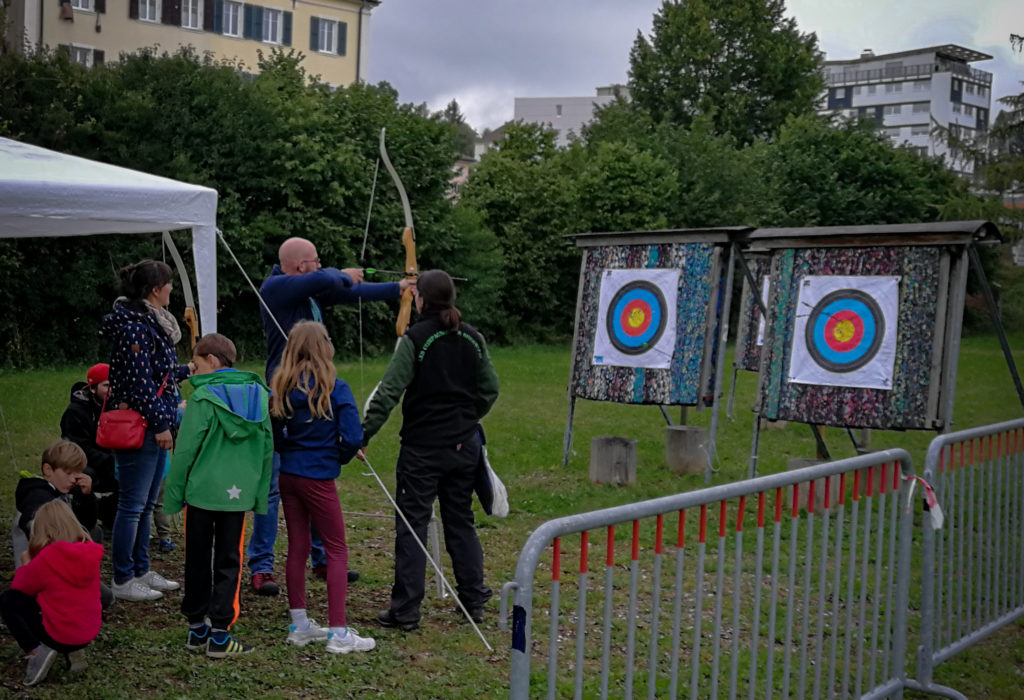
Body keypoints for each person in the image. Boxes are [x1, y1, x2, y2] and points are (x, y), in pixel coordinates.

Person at [248, 236, 415, 596]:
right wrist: (341, 273)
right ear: (297, 266)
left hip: (315, 390)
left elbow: (346, 290)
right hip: (285, 394)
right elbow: (330, 280)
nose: (320, 265)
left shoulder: (308, 288)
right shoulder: (277, 287)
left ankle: (321, 558)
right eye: (315, 259)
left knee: (316, 476)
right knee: (275, 485)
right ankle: (261, 566)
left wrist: (397, 287)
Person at [362, 270, 499, 631]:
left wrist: (361, 435)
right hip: (463, 445)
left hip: (422, 450)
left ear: (420, 300)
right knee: (460, 521)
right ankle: (473, 599)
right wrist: (467, 419)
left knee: (412, 526)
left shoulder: (415, 338)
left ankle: (406, 611)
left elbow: (388, 393)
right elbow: (489, 390)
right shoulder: (472, 338)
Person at [164, 333, 273, 658]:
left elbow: (184, 452)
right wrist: (259, 495)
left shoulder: (201, 399)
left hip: (201, 494)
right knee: (229, 561)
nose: (192, 371)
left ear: (212, 360)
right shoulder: (259, 396)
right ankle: (220, 634)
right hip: (236, 497)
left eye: (195, 365)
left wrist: (173, 496)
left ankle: (198, 628)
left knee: (197, 558)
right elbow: (267, 450)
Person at [271, 321, 375, 654]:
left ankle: (299, 624)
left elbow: (275, 436)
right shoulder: (335, 387)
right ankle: (339, 633)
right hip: (318, 476)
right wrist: (339, 456)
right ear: (323, 347)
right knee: (336, 549)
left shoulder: (281, 387)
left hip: (288, 474)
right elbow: (355, 437)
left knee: (298, 546)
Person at [100, 259, 190, 602]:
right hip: (142, 426)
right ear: (156, 290)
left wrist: (186, 370)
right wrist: (161, 424)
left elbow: (156, 375)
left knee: (148, 500)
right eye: (169, 285)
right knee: (133, 505)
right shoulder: (136, 328)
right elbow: (139, 385)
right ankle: (123, 578)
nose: (171, 290)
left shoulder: (151, 323)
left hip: (152, 421)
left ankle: (140, 568)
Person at [0, 501, 103, 686]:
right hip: (87, 632)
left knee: (8, 599)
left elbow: (20, 588)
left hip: (59, 635)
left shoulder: (47, 558)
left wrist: (27, 564)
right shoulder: (90, 551)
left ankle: (35, 652)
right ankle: (75, 651)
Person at [59, 363, 118, 528]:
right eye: (106, 385)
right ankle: (84, 527)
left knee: (128, 474)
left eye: (113, 384)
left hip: (107, 458)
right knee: (84, 478)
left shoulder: (115, 406)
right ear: (92, 388)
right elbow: (78, 447)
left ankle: (111, 520)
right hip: (79, 462)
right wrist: (109, 461)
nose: (111, 389)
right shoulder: (75, 412)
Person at [16, 440, 100, 548]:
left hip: (59, 552)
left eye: (77, 474)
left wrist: (85, 496)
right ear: (48, 470)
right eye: (68, 473)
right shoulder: (37, 495)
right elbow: (32, 526)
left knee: (96, 532)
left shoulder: (64, 491)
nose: (73, 479)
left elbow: (87, 524)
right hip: (39, 559)